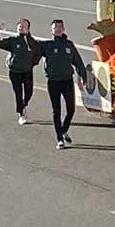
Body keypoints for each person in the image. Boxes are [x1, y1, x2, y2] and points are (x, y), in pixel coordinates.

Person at [42, 19, 87, 149]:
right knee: (56, 111)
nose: (58, 29)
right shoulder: (47, 45)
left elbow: (78, 62)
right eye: (55, 27)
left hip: (67, 81)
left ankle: (63, 129)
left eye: (60, 26)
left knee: (71, 109)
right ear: (51, 30)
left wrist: (83, 77)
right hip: (53, 81)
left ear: (64, 28)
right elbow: (32, 50)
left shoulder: (69, 45)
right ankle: (59, 139)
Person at [0, 19, 42, 126]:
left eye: (23, 25)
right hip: (15, 71)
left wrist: (32, 63)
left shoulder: (32, 42)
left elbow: (38, 53)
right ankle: (21, 114)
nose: (21, 27)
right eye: (19, 25)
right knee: (18, 92)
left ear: (28, 28)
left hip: (27, 71)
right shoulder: (13, 40)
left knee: (29, 92)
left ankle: (23, 105)